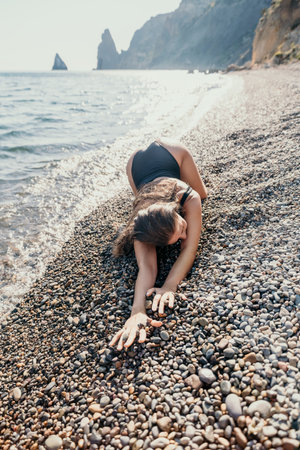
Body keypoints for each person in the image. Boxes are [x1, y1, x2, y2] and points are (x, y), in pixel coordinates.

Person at [109, 139, 207, 350]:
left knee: (204, 193)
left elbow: (189, 249)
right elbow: (147, 267)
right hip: (133, 164)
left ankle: (176, 191)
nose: (184, 237)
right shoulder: (141, 223)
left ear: (175, 209)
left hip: (169, 152)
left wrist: (170, 285)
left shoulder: (189, 197)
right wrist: (137, 311)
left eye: (181, 228)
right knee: (152, 218)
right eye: (181, 236)